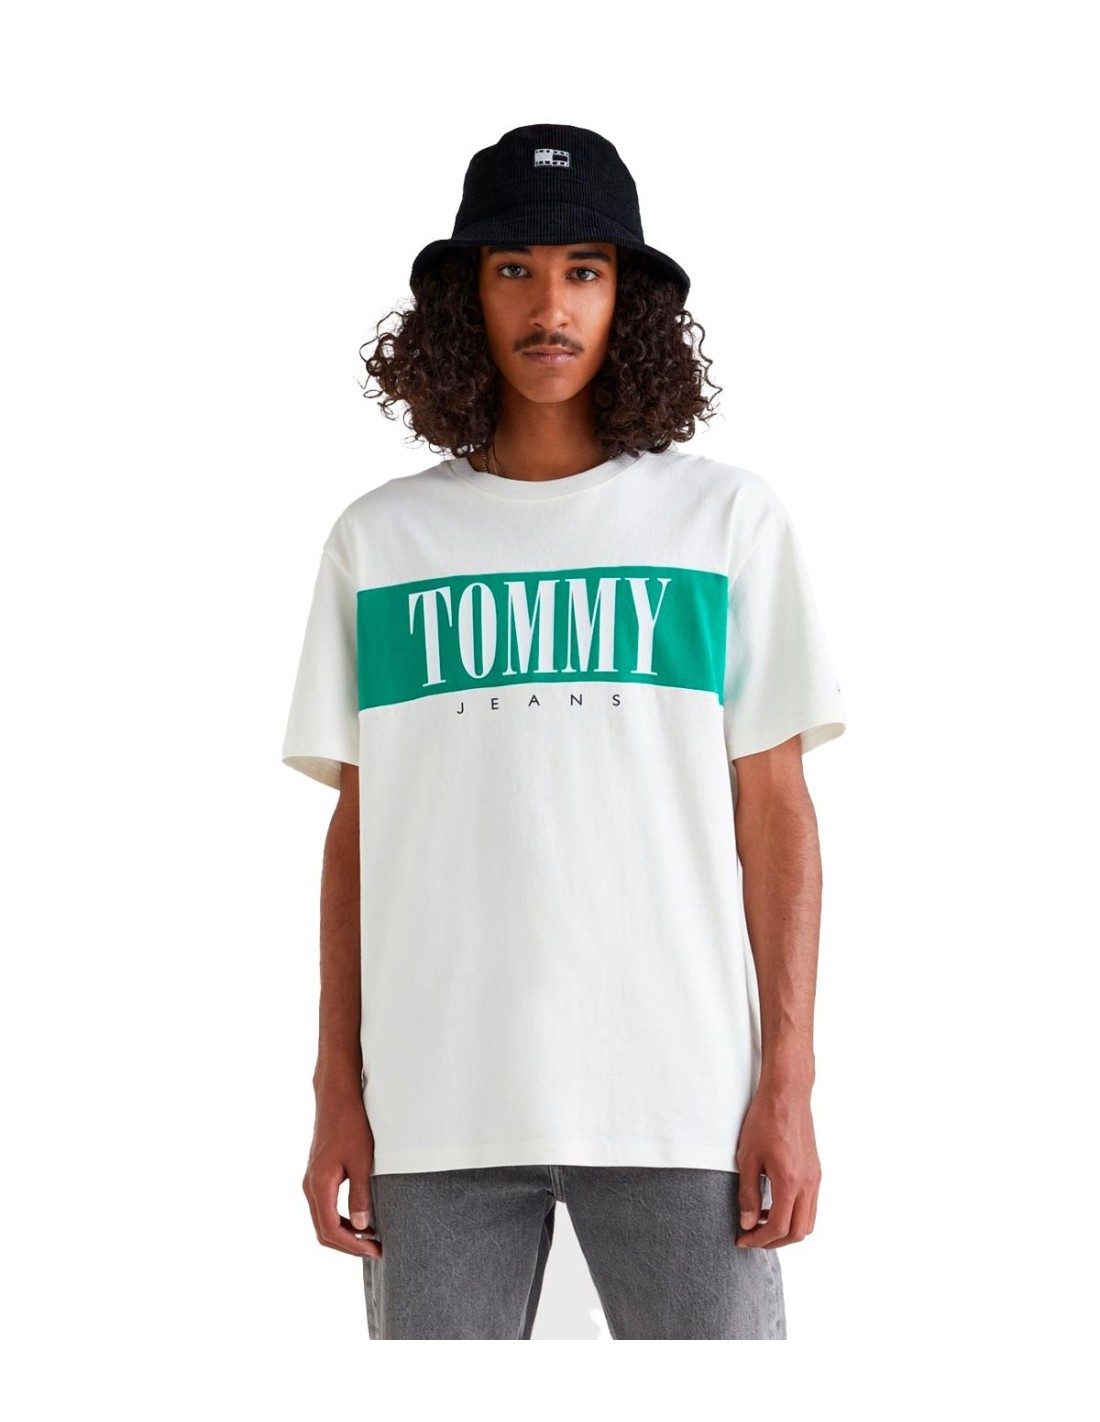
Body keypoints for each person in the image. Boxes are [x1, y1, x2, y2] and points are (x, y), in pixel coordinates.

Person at [281, 122, 848, 1340]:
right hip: (434, 1107)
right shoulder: (380, 543)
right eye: (514, 271)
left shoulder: (724, 522)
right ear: (466, 300)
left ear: (622, 298)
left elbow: (775, 814)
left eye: (582, 271)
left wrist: (789, 1083)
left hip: (682, 1101)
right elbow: (359, 835)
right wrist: (336, 1089)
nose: (549, 308)